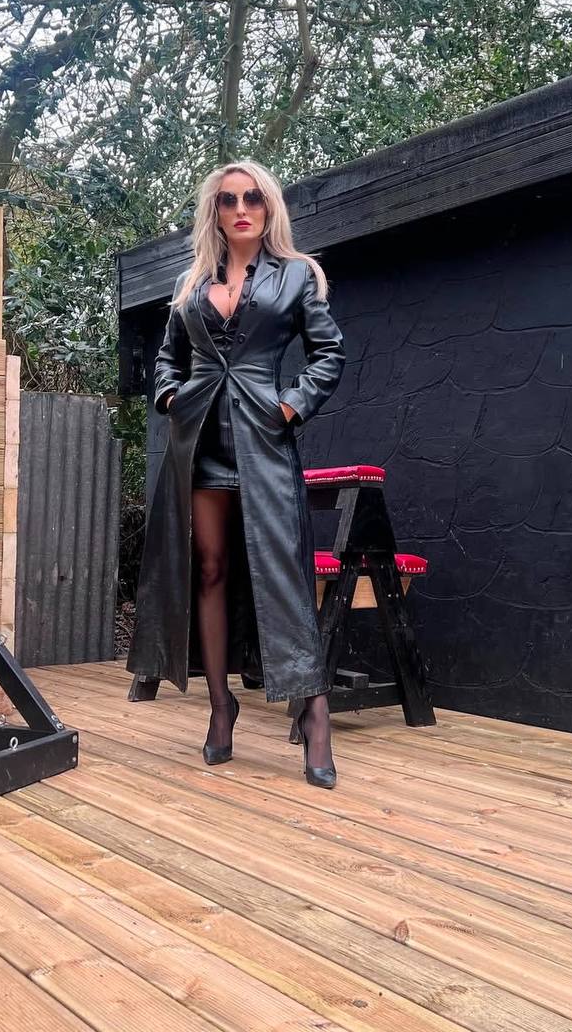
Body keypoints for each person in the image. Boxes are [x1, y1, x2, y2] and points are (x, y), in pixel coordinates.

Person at [127, 159, 346, 787]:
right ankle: (221, 706)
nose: (242, 208)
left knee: (283, 572)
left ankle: (315, 713)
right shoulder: (190, 282)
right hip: (198, 444)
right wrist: (171, 397)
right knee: (209, 570)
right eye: (228, 200)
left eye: (253, 198)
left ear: (268, 207)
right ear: (215, 212)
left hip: (263, 439)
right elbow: (167, 357)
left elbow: (328, 353)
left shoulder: (297, 274)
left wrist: (290, 405)